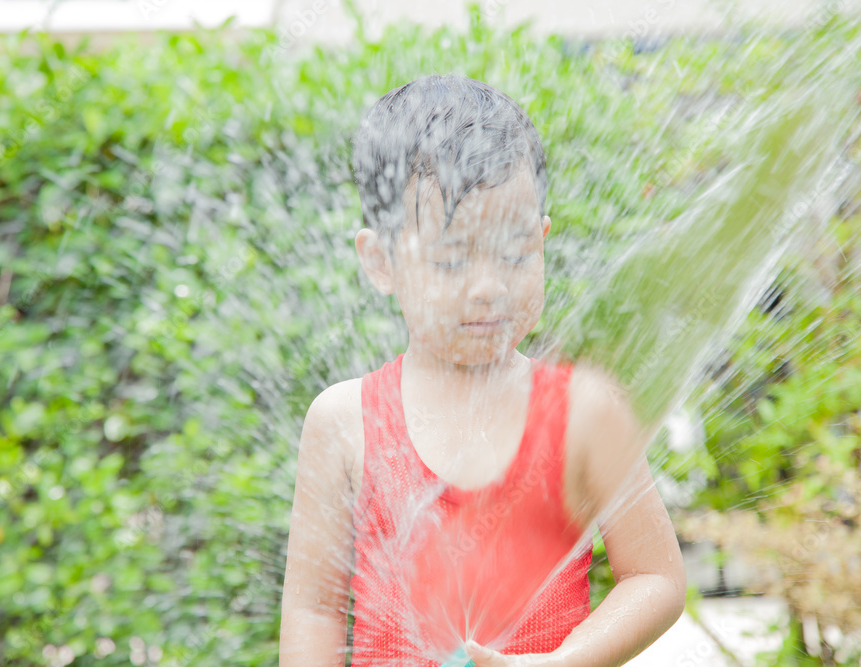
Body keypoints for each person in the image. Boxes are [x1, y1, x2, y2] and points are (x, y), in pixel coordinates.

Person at [280, 74, 685, 667]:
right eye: (450, 258)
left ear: (543, 239)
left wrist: (564, 662)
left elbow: (655, 578)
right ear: (380, 260)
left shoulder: (585, 412)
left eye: (516, 252)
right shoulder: (344, 424)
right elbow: (313, 609)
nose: (489, 287)